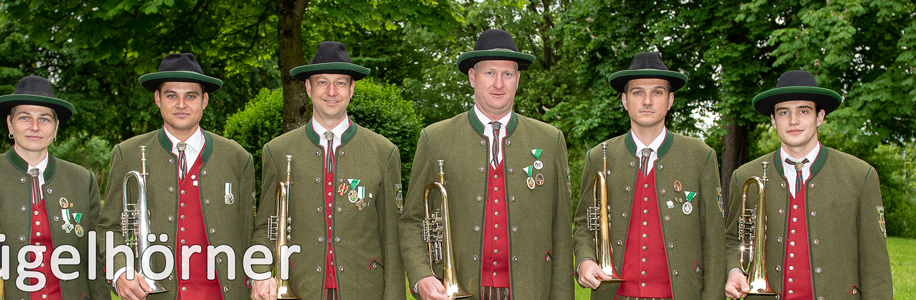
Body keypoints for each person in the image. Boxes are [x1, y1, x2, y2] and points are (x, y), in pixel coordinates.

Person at [398, 29, 573, 300]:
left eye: (507, 74)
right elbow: (411, 220)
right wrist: (421, 275)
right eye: (490, 73)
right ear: (472, 77)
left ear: (518, 80)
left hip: (530, 290)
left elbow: (561, 231)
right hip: (455, 291)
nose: (499, 84)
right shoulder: (435, 138)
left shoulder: (550, 141)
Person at [249, 41, 404, 300]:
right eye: (322, 82)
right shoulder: (276, 151)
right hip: (300, 288)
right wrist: (260, 272)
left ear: (352, 88)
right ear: (308, 87)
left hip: (364, 290)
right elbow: (268, 224)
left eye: (341, 82)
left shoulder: (383, 152)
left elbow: (392, 237)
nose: (331, 91)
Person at [96, 53, 255, 300]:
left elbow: (248, 231)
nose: (181, 104)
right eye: (172, 95)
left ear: (205, 100)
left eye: (190, 96)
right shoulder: (126, 153)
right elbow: (110, 227)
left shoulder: (237, 157)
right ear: (158, 99)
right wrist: (121, 270)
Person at [723, 70, 893, 299]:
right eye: (784, 112)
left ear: (820, 116)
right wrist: (734, 268)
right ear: (773, 120)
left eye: (804, 110)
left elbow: (876, 265)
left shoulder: (860, 176)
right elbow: (732, 239)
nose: (793, 120)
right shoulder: (744, 175)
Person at [572, 52, 725, 300]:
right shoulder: (599, 156)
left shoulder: (700, 156)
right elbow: (583, 224)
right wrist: (585, 260)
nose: (647, 101)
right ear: (624, 100)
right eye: (637, 92)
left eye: (657, 92)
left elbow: (715, 242)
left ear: (670, 99)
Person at [0, 75, 109, 300]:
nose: (35, 127)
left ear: (56, 127)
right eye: (24, 117)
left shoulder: (82, 179)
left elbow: (94, 259)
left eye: (45, 119)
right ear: (10, 124)